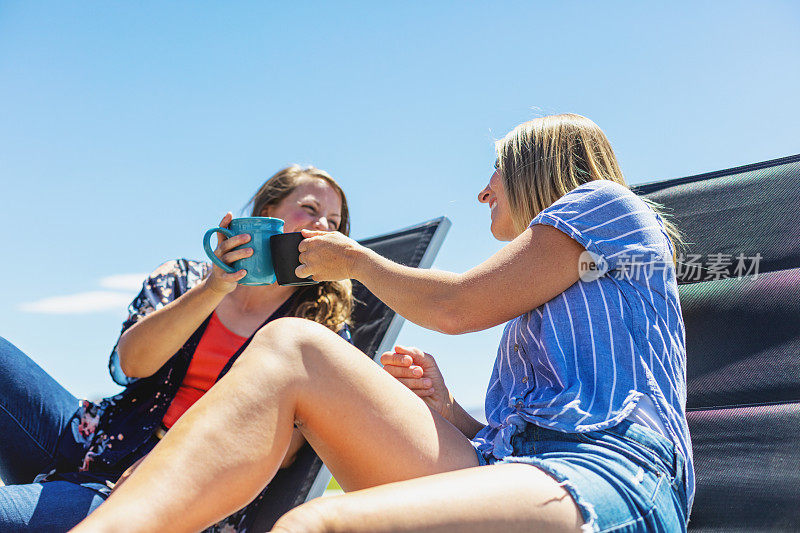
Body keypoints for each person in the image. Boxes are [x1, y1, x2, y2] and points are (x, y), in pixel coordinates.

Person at [72, 114, 694, 533]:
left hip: (609, 482)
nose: (483, 192)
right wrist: (452, 412)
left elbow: (456, 307)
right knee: (294, 345)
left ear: (539, 167)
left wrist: (356, 262)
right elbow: (527, 437)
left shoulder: (604, 208)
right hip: (514, 470)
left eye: (496, 171)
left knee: (313, 524)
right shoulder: (551, 290)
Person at [0, 165, 353, 531]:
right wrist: (213, 288)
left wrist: (167, 462)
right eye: (310, 210)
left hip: (166, 492)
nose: (323, 226)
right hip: (97, 437)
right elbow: (132, 364)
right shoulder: (184, 278)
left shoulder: (320, 328)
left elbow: (286, 451)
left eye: (334, 221)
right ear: (266, 214)